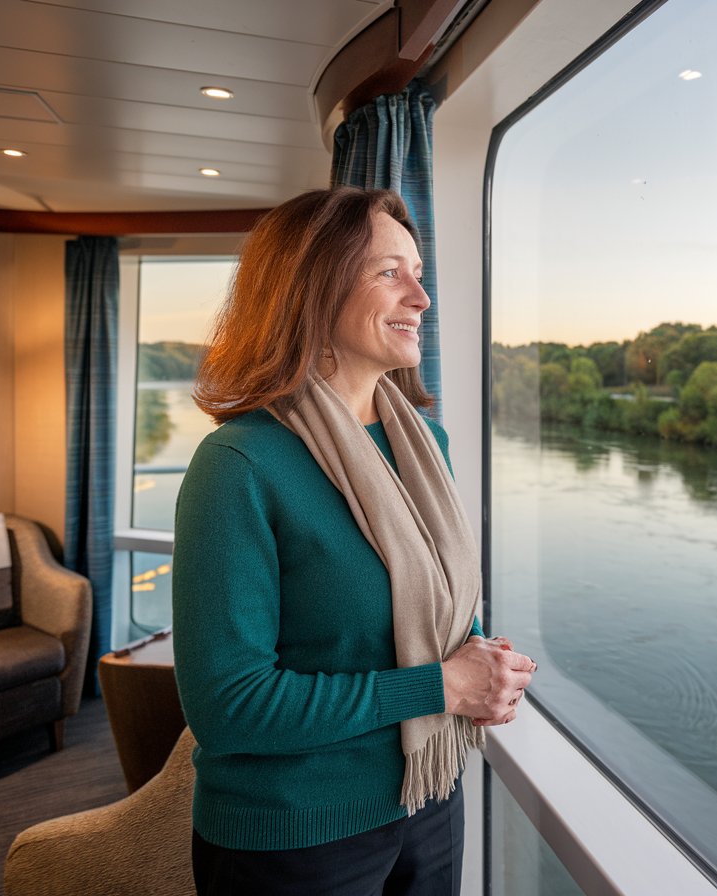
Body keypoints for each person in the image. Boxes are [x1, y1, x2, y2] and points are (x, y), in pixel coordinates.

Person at [172, 187, 536, 896]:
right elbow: (229, 708)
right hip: (295, 837)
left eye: (419, 271)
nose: (422, 298)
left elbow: (447, 613)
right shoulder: (240, 465)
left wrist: (485, 664)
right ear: (311, 288)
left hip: (428, 797)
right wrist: (441, 686)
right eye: (389, 272)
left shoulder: (426, 444)